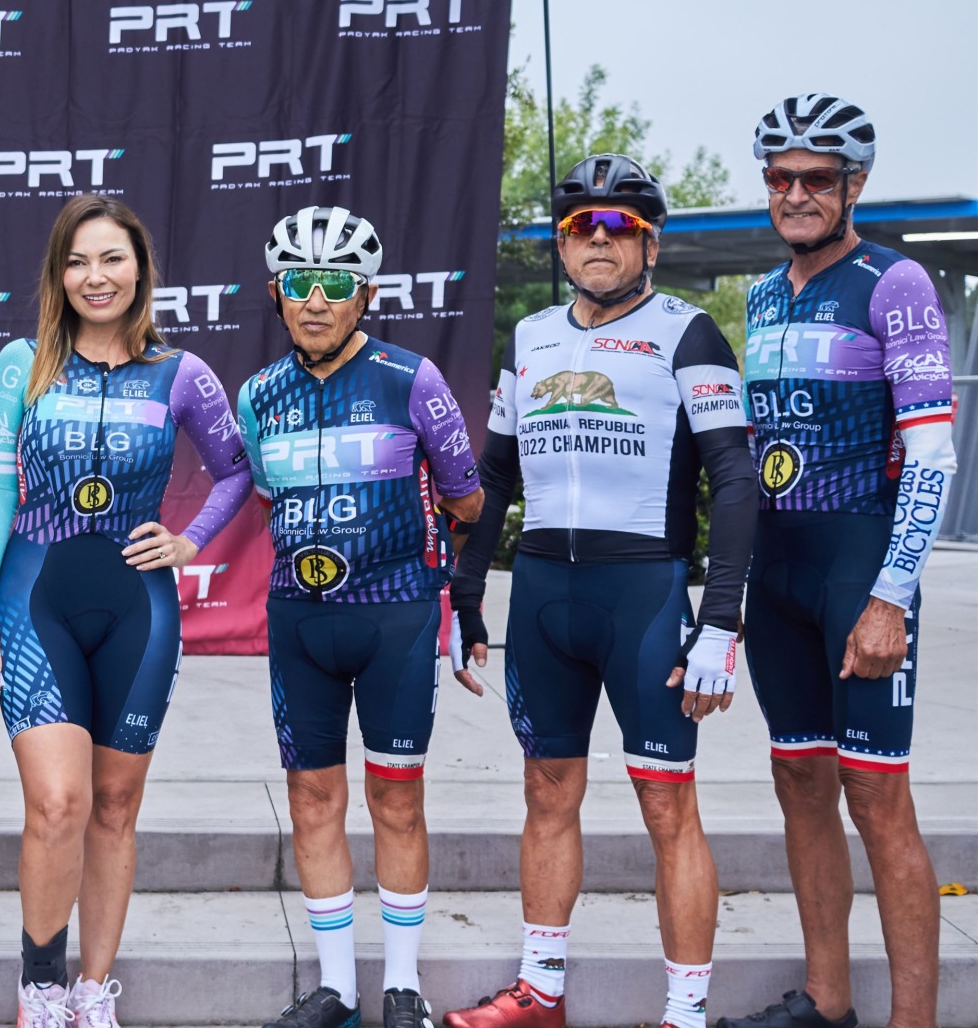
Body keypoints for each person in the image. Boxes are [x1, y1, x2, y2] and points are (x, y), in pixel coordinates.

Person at [444, 155, 757, 1028]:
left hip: (644, 597)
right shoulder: (532, 337)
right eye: (582, 225)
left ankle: (685, 1013)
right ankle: (540, 989)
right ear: (561, 243)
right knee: (547, 791)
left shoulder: (690, 334)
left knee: (667, 803)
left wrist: (721, 622)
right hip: (544, 595)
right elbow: (494, 476)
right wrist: (465, 592)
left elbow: (736, 479)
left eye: (621, 226)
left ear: (650, 244)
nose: (599, 240)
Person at [0, 194, 251, 1028]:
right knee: (59, 802)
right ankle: (40, 988)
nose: (97, 276)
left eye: (112, 259)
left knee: (116, 808)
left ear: (140, 269)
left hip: (138, 609)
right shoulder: (21, 363)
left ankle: (92, 991)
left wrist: (191, 540)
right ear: (58, 275)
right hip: (35, 598)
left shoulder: (182, 373)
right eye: (78, 261)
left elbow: (236, 470)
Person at [715, 96, 954, 1028]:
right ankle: (825, 1000)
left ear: (855, 185)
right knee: (801, 783)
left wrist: (891, 596)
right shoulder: (763, 293)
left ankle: (914, 1020)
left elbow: (932, 454)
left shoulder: (895, 282)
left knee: (877, 795)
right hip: (779, 569)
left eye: (817, 178)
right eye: (781, 177)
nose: (796, 194)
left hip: (859, 561)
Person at [237, 206, 485, 1028]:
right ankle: (337, 987)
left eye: (335, 284)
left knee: (396, 800)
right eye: (300, 282)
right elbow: (269, 498)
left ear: (366, 295)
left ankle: (403, 984)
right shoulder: (258, 394)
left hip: (396, 619)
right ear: (278, 292)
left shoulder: (412, 378)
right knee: (312, 798)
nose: (316, 300)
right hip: (300, 622)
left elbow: (467, 499)